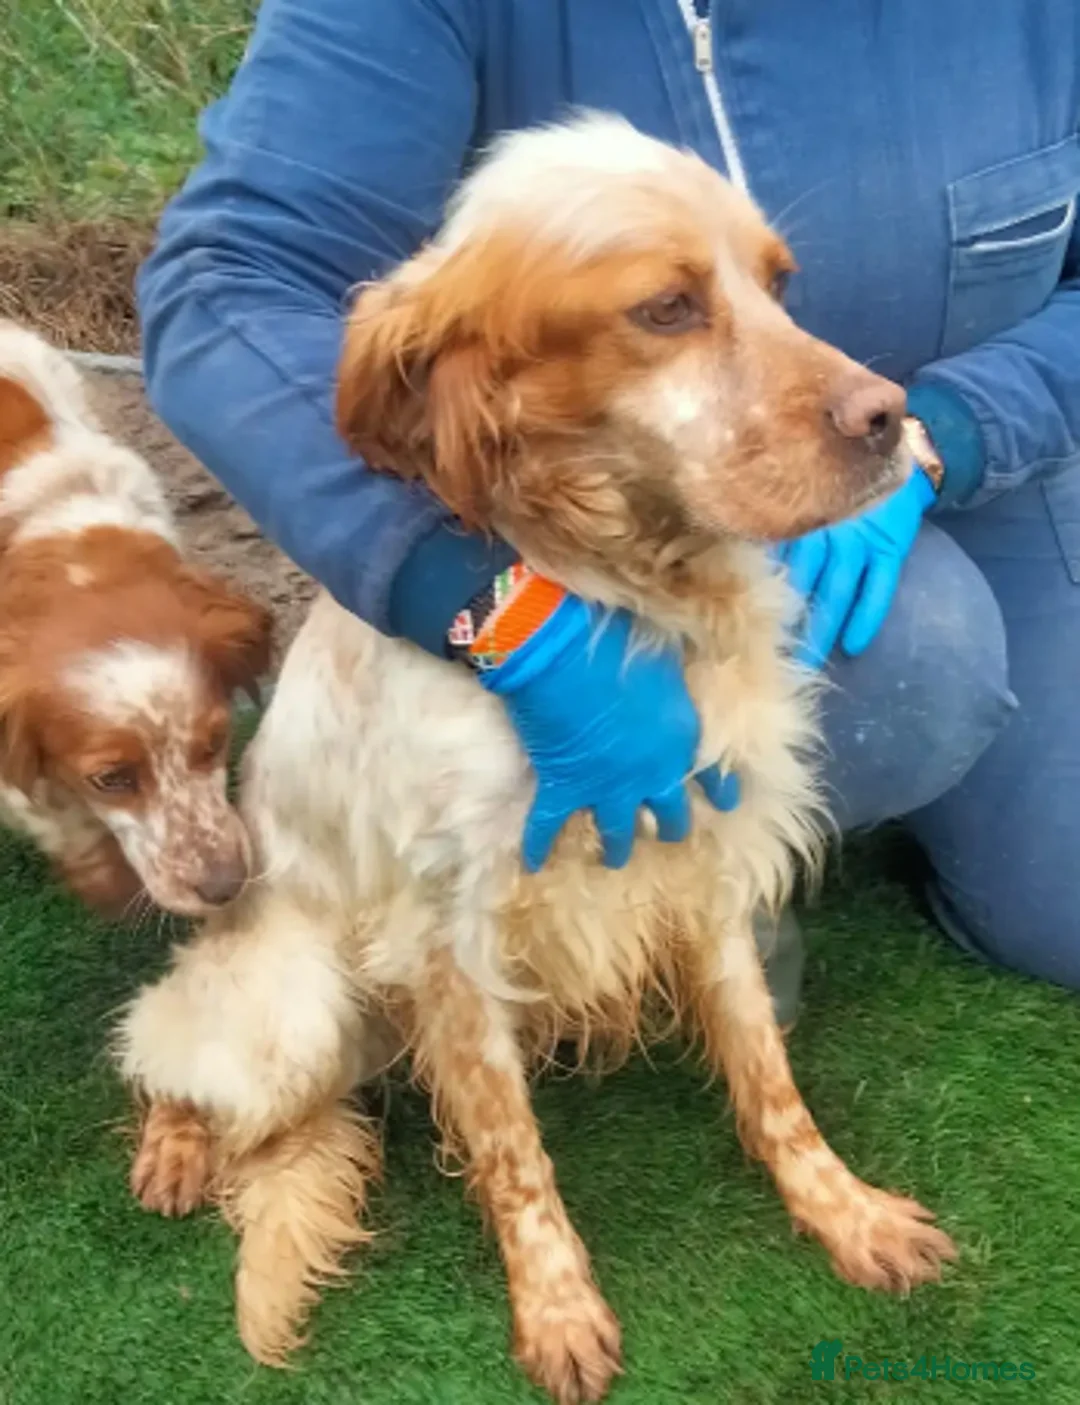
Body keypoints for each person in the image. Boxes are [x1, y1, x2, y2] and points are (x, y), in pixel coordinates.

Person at [138, 0, 1080, 997]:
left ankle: (756, 830)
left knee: (1059, 898)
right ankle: (691, 886)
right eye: (668, 304)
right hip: (588, 517)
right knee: (915, 649)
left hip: (996, 446)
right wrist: (472, 591)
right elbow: (227, 281)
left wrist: (962, 427)